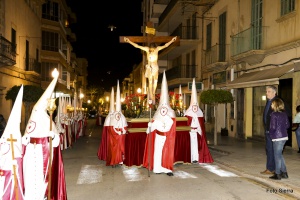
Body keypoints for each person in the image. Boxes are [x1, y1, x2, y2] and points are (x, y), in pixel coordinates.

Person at [22, 69, 67, 200]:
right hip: (30, 154)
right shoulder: (32, 119)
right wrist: (25, 139)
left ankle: (44, 195)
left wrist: (52, 136)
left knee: (43, 177)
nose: (35, 111)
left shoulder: (48, 120)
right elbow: (26, 136)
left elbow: (57, 140)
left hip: (44, 154)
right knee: (30, 175)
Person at [124, 36, 177, 104]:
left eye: (152, 49)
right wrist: (129, 41)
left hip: (155, 67)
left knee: (155, 81)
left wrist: (172, 41)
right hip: (149, 67)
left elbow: (165, 45)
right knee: (150, 82)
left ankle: (153, 93)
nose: (151, 51)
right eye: (151, 50)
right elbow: (137, 46)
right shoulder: (147, 49)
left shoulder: (157, 49)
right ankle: (151, 94)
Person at [143, 71, 176, 176]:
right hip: (158, 137)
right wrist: (149, 126)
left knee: (167, 153)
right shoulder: (156, 118)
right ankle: (157, 168)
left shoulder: (170, 117)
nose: (163, 111)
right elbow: (149, 130)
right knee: (158, 152)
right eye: (162, 109)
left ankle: (167, 169)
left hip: (168, 138)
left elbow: (171, 126)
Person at [184, 78, 213, 164]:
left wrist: (199, 131)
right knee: (190, 146)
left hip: (196, 133)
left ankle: (196, 158)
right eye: (194, 106)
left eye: (196, 106)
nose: (195, 108)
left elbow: (201, 125)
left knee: (196, 146)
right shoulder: (188, 115)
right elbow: (186, 124)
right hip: (190, 133)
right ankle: (190, 158)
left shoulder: (200, 114)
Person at [106, 80, 128, 167]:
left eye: (119, 114)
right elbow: (111, 128)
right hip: (114, 137)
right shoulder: (112, 118)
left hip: (121, 137)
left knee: (121, 149)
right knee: (114, 149)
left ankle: (120, 161)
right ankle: (114, 161)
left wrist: (122, 131)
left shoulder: (122, 117)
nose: (118, 116)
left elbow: (125, 127)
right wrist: (116, 132)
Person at [269, 98, 290, 180]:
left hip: (277, 137)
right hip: (284, 137)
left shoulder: (274, 114)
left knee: (277, 156)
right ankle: (284, 173)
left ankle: (277, 174)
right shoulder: (284, 114)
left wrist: (270, 134)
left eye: (272, 104)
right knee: (280, 155)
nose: (271, 105)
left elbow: (273, 127)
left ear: (276, 105)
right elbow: (287, 125)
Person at [261, 85, 279, 175]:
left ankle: (272, 169)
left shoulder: (277, 102)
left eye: (268, 91)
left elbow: (280, 116)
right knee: (269, 149)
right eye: (266, 91)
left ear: (274, 93)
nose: (266, 93)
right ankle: (270, 168)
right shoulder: (269, 101)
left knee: (273, 150)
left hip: (273, 131)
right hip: (268, 129)